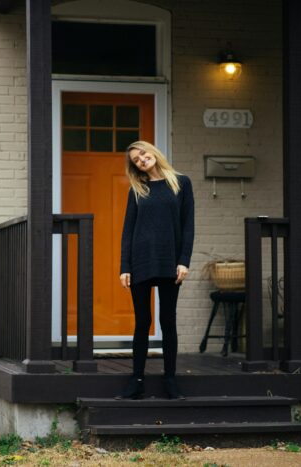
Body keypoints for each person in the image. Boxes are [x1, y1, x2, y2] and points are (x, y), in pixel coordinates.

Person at [118, 141, 194, 399]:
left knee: (168, 320)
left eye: (142, 154)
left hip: (169, 261)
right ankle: (136, 379)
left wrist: (184, 260)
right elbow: (128, 230)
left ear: (152, 152)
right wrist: (124, 266)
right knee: (143, 322)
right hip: (140, 261)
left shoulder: (181, 183)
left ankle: (170, 379)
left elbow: (187, 226)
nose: (141, 160)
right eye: (136, 160)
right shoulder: (137, 189)